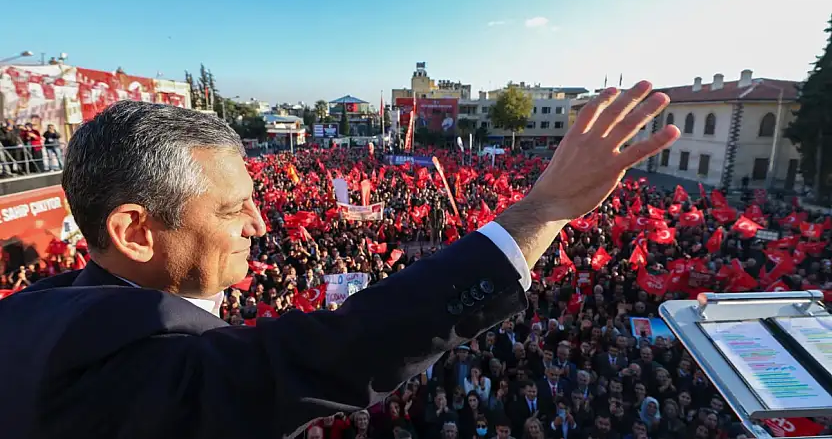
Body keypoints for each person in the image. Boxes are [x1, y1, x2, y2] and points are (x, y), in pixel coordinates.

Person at [0, 81, 679, 438]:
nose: (260, 225)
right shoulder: (148, 373)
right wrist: (545, 209)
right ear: (136, 232)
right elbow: (351, 345)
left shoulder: (28, 319)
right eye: (233, 209)